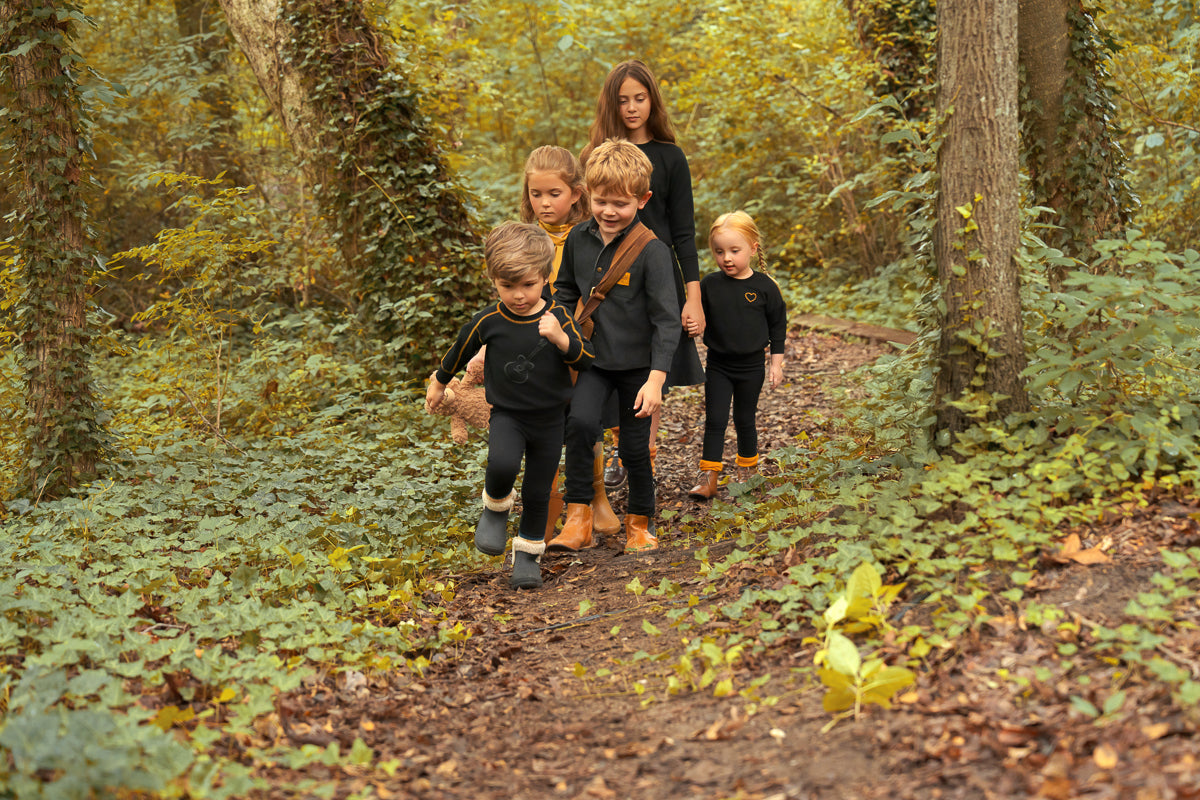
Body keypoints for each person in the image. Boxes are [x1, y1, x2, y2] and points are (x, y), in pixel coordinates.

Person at [426, 222, 594, 588]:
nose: (519, 295)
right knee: (501, 463)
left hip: (551, 420)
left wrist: (561, 339)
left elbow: (586, 359)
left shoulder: (559, 317)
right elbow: (460, 350)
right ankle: (495, 507)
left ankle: (528, 557)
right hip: (507, 414)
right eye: (507, 286)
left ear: (545, 277)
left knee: (538, 489)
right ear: (494, 281)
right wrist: (439, 381)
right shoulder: (490, 319)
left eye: (528, 285)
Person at [548, 138, 681, 553]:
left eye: (620, 204)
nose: (609, 212)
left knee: (634, 448)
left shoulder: (653, 252)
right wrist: (563, 332)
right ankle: (578, 520)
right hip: (592, 361)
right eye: (602, 201)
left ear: (642, 200)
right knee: (581, 426)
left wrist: (656, 380)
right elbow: (565, 290)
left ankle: (640, 523)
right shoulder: (578, 240)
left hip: (639, 369)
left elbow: (666, 320)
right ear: (588, 196)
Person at [581, 60, 705, 488]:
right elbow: (584, 223)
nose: (632, 107)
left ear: (652, 100)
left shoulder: (670, 157)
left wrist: (693, 297)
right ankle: (618, 450)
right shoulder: (596, 155)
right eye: (623, 100)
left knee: (652, 366)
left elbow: (685, 234)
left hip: (658, 273)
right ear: (611, 105)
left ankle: (642, 462)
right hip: (608, 276)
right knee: (610, 360)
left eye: (640, 98)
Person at [516, 146, 623, 540]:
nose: (544, 203)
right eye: (536, 194)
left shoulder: (588, 236)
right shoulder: (524, 239)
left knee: (584, 420)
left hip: (579, 339)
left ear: (576, 193)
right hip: (535, 343)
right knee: (543, 422)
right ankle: (549, 505)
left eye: (554, 194)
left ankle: (595, 497)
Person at [688, 211, 787, 501]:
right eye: (719, 252)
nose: (726, 258)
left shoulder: (765, 288)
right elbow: (696, 313)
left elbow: (778, 327)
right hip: (719, 365)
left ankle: (748, 475)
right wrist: (691, 322)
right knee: (715, 419)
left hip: (751, 367)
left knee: (745, 419)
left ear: (753, 248)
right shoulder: (709, 284)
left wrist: (776, 365)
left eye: (734, 250)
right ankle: (709, 478)